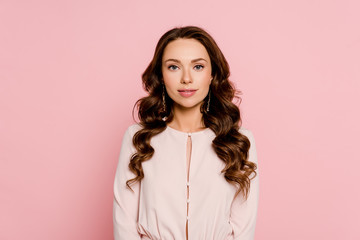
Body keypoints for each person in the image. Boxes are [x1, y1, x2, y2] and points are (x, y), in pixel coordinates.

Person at [113, 26, 259, 240]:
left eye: (198, 66)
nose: (186, 78)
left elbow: (244, 228)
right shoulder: (138, 138)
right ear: (161, 76)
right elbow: (124, 222)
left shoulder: (239, 141)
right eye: (174, 67)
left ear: (212, 75)